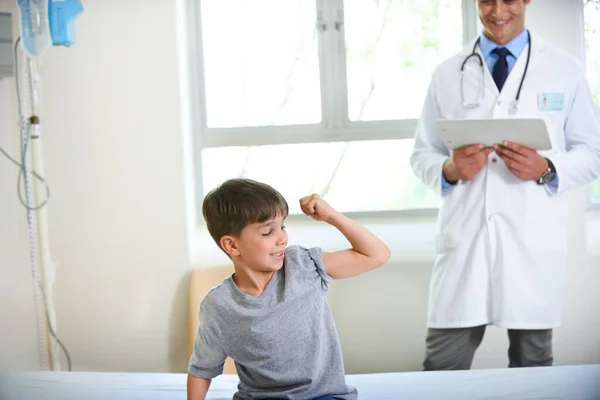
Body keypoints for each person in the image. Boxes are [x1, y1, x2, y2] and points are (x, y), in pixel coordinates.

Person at [410, 0, 600, 371]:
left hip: (532, 244)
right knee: (441, 369)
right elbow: (421, 154)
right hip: (465, 242)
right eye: (486, 0)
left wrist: (547, 168)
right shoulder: (448, 73)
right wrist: (450, 169)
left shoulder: (564, 69)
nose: (497, 10)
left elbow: (593, 152)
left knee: (533, 368)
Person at [187, 178, 391, 399]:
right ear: (232, 245)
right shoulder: (219, 305)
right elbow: (202, 370)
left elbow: (377, 255)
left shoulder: (303, 265)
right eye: (268, 232)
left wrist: (332, 216)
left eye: (282, 226)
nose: (282, 238)